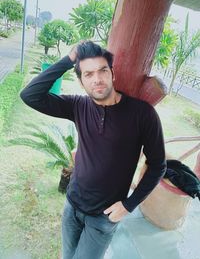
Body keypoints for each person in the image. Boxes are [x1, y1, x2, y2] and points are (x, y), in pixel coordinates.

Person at [20, 41, 166, 259]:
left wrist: (129, 205)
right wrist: (69, 60)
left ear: (112, 74)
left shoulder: (142, 114)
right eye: (88, 74)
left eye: (102, 71)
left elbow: (158, 165)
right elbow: (30, 95)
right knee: (68, 255)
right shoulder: (78, 106)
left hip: (104, 216)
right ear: (81, 82)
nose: (97, 79)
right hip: (72, 205)